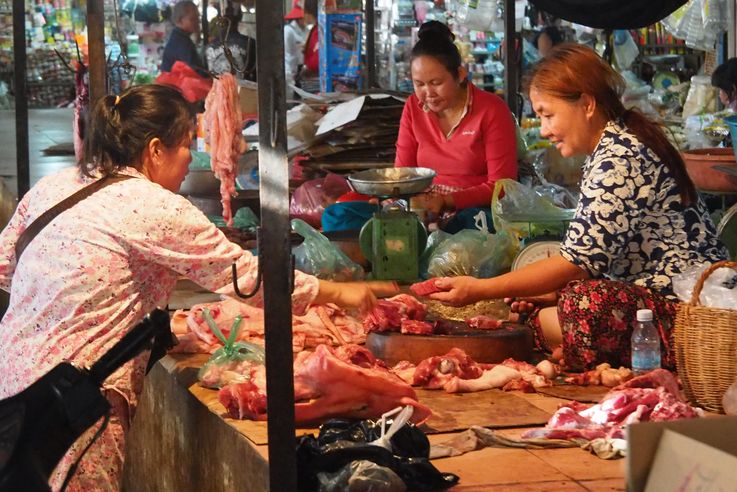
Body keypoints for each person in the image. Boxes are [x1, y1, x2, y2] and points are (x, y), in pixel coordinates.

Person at [0, 84, 396, 491]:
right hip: (76, 398)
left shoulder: (57, 184)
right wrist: (338, 292)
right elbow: (248, 282)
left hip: (14, 379)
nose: (192, 159)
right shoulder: (152, 204)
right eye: (188, 145)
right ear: (156, 150)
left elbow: (6, 269)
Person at [423, 44, 728, 371]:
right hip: (651, 301)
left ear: (586, 104)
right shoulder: (614, 145)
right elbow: (594, 260)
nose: (543, 130)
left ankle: (568, 340)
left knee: (584, 305)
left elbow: (577, 262)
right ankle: (564, 339)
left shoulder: (620, 158)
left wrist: (479, 290)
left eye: (548, 114)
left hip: (686, 313)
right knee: (544, 304)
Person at [394, 21, 518, 232]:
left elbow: (502, 186)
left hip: (473, 208)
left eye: (436, 83)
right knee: (341, 214)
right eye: (419, 84)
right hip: (424, 207)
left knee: (466, 225)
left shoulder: (491, 109)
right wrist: (392, 199)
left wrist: (448, 200)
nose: (428, 93)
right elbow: (403, 174)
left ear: (460, 74)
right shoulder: (413, 107)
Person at [205, 2, 257, 81]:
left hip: (218, 92)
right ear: (240, 17)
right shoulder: (249, 43)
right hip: (242, 92)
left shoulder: (208, 47)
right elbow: (256, 76)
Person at [161, 0, 205, 75]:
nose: (197, 22)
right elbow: (195, 72)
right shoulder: (181, 42)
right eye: (193, 19)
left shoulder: (179, 37)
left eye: (198, 18)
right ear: (180, 20)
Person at [284, 0, 313, 94]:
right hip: (291, 72)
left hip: (303, 72)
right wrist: (290, 77)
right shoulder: (288, 31)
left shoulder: (307, 30)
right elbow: (287, 55)